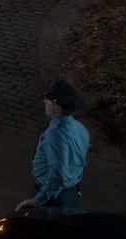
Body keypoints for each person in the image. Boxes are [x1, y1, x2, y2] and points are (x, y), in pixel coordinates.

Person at [17, 79, 91, 212]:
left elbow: (58, 173)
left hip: (52, 197)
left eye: (48, 99)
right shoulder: (80, 129)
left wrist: (38, 200)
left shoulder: (56, 135)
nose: (45, 102)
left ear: (57, 108)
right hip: (70, 191)